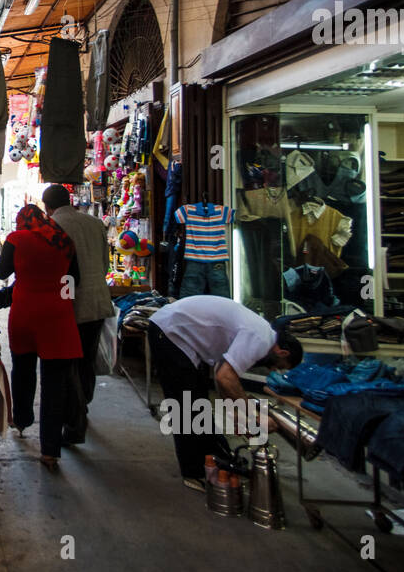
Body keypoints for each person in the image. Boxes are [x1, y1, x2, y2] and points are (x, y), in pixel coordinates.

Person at [147, 295, 303, 491]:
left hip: (175, 332)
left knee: (197, 404)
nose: (273, 370)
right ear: (283, 353)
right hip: (170, 331)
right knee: (186, 406)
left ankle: (215, 460)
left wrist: (236, 412)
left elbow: (222, 370)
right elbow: (225, 377)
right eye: (279, 366)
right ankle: (194, 472)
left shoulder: (261, 333)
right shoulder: (260, 339)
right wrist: (254, 415)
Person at [0, 204, 82, 470]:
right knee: (55, 385)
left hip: (25, 314)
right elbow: (75, 279)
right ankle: (50, 451)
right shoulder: (63, 241)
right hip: (58, 316)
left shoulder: (16, 239)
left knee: (22, 369)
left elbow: (2, 273)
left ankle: (21, 420)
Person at [42, 184, 116, 444]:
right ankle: (83, 407)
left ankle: (75, 422)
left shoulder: (51, 227)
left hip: (70, 305)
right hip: (98, 302)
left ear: (47, 206)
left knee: (67, 364)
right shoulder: (95, 223)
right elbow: (106, 264)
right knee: (86, 360)